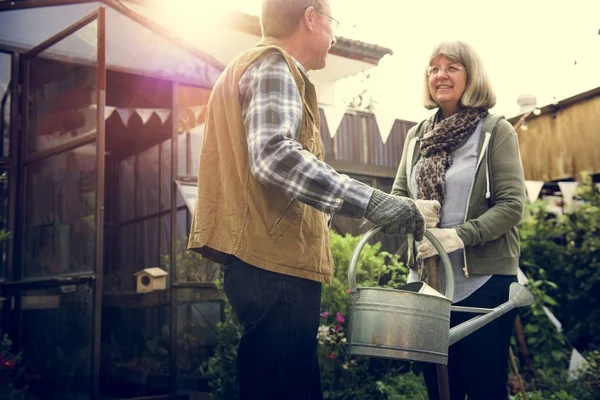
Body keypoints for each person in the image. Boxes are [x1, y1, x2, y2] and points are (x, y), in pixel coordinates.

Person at [187, 1, 427, 398]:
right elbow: (274, 156)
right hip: (273, 264)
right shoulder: (274, 65)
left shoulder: (255, 67)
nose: (333, 35)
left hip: (265, 262)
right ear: (311, 17)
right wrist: (371, 201)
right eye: (332, 22)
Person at [391, 40, 526, 400]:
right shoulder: (416, 136)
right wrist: (409, 210)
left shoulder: (495, 131)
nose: (441, 75)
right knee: (438, 388)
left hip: (482, 283)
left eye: (452, 67)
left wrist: (459, 236)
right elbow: (399, 194)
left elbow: (513, 205)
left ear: (472, 74)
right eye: (434, 68)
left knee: (484, 388)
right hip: (427, 282)